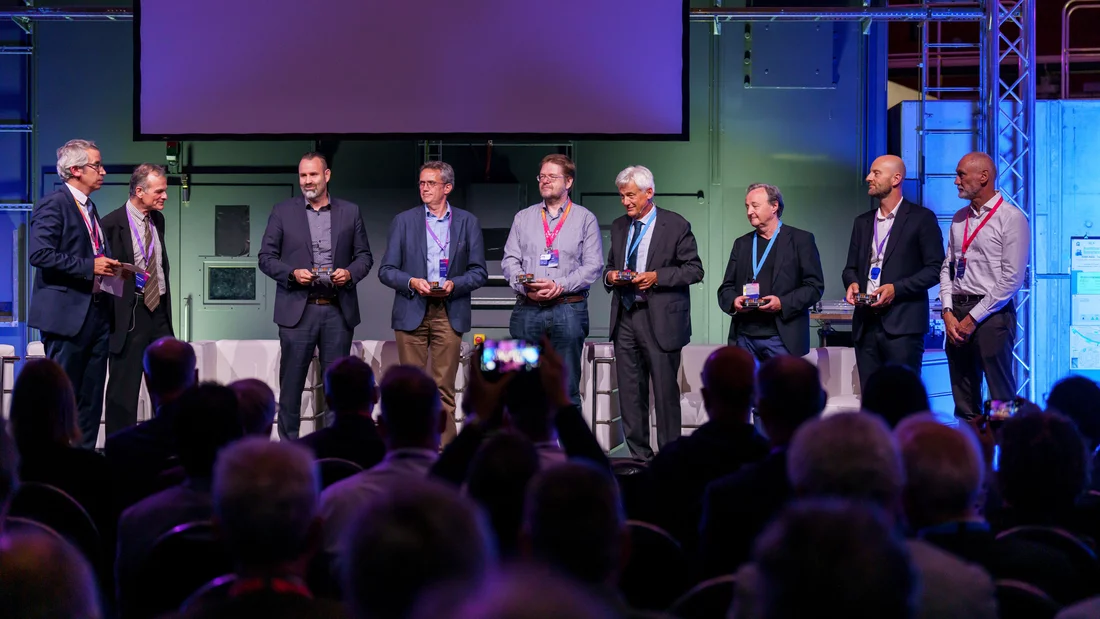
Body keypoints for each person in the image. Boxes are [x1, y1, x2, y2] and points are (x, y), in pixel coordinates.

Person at [258, 152, 374, 439]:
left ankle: (336, 447)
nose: (307, 181)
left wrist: (349, 274)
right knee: (291, 389)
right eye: (303, 175)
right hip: (298, 311)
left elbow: (365, 257)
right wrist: (291, 274)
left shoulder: (350, 211)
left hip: (338, 310)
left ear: (327, 175)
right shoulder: (282, 211)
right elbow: (265, 258)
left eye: (313, 175)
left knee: (339, 390)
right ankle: (289, 452)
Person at [378, 161, 487, 444]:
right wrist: (412, 282)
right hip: (412, 307)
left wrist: (455, 284)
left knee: (444, 389)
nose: (424, 188)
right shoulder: (404, 221)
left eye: (431, 183)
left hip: (449, 312)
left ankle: (445, 454)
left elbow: (479, 272)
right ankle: (409, 450)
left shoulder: (467, 222)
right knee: (410, 389)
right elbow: (386, 270)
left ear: (447, 188)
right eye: (421, 183)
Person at [603, 165, 703, 460]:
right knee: (631, 395)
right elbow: (610, 267)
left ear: (649, 192)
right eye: (622, 196)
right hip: (625, 317)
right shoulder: (620, 226)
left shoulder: (675, 225)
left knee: (664, 393)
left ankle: (670, 459)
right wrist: (611, 277)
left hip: (660, 319)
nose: (625, 202)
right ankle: (639, 458)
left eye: (630, 195)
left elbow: (694, 270)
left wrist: (656, 277)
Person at [29, 138, 121, 449]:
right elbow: (39, 253)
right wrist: (89, 265)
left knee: (91, 399)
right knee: (60, 400)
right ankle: (51, 467)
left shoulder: (90, 207)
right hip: (67, 317)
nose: (103, 171)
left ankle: (83, 464)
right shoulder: (54, 204)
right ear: (75, 170)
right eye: (97, 165)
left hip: (96, 314)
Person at [501, 154, 603, 407]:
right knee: (525, 388)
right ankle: (529, 446)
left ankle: (568, 447)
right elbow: (509, 261)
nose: (545, 181)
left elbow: (593, 265)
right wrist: (524, 285)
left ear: (568, 182)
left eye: (552, 177)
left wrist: (560, 285)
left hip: (568, 308)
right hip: (528, 309)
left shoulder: (584, 218)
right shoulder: (523, 218)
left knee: (566, 389)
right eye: (542, 176)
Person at [939, 152, 1031, 420]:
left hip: (992, 312)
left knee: (999, 392)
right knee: (963, 391)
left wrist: (973, 318)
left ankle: (1008, 452)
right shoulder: (958, 218)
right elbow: (948, 266)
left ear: (984, 177)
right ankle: (971, 453)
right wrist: (946, 311)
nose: (956, 181)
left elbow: (1012, 278)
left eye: (961, 174)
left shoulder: (1011, 218)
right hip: (957, 308)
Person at [843, 155, 944, 390]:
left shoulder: (921, 218)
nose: (868, 177)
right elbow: (850, 268)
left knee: (903, 401)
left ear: (896, 178)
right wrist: (852, 284)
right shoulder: (863, 222)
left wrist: (895, 289)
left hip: (903, 327)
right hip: (866, 325)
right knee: (871, 402)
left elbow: (935, 269)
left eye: (876, 173)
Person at [102, 163, 175, 436]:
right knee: (124, 390)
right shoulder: (110, 224)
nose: (165, 196)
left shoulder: (158, 220)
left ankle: (167, 449)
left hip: (159, 313)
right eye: (159, 191)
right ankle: (119, 452)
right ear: (139, 191)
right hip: (130, 316)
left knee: (168, 387)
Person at [718, 183, 824, 360]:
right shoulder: (742, 244)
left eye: (755, 206)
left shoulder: (801, 240)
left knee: (780, 389)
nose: (749, 212)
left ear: (774, 206)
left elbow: (814, 287)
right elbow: (726, 288)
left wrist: (782, 303)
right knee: (745, 389)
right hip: (744, 338)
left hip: (782, 338)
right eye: (747, 206)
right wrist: (734, 301)